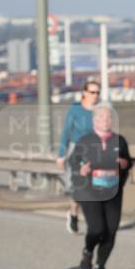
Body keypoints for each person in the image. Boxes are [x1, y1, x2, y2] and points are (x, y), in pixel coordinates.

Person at [67, 103, 131, 269]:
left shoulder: (120, 140)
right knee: (96, 229)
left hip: (113, 192)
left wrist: (125, 164)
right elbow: (74, 162)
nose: (105, 120)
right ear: (94, 120)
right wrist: (81, 168)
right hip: (89, 192)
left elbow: (128, 162)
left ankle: (100, 267)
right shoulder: (85, 141)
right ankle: (88, 251)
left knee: (111, 231)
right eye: (101, 117)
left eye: (109, 117)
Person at [56, 81, 100, 234]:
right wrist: (60, 156)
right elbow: (66, 132)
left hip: (94, 150)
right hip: (76, 149)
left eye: (97, 92)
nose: (95, 96)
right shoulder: (75, 109)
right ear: (84, 93)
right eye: (92, 92)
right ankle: (73, 213)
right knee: (78, 186)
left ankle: (93, 221)